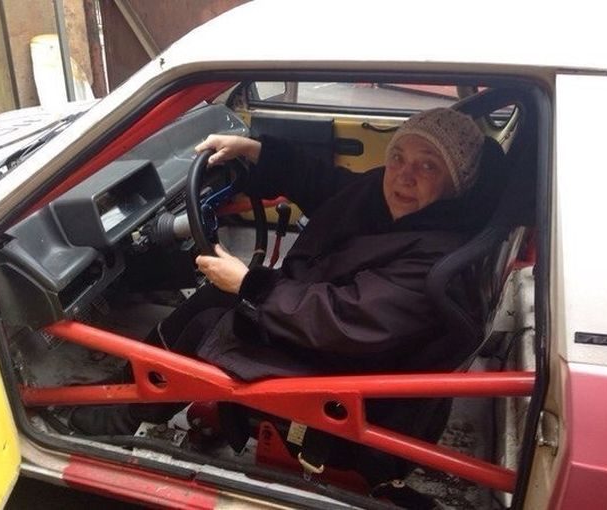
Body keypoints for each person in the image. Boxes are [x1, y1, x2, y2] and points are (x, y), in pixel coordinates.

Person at [69, 107, 489, 501]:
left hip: (348, 369)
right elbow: (332, 187)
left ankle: (126, 413)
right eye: (398, 157)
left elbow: (345, 319)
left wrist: (251, 285)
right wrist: (257, 152)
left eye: (428, 166)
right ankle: (128, 392)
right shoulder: (398, 203)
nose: (404, 176)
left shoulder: (436, 257)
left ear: (457, 183)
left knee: (208, 323)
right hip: (331, 331)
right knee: (216, 296)